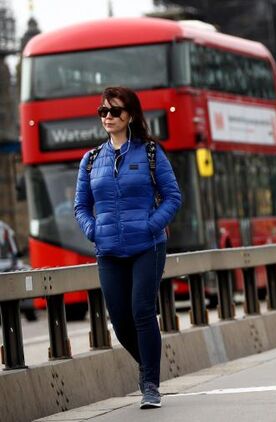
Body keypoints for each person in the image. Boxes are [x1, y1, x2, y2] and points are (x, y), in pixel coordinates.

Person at [74, 86, 182, 408]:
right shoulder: (91, 160)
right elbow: (81, 206)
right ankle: (148, 366)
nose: (108, 117)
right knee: (120, 321)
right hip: (108, 250)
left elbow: (173, 196)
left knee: (142, 311)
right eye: (103, 111)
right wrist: (93, 231)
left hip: (147, 246)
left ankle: (150, 385)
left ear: (130, 115)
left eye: (115, 111)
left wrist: (150, 225)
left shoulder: (150, 153)